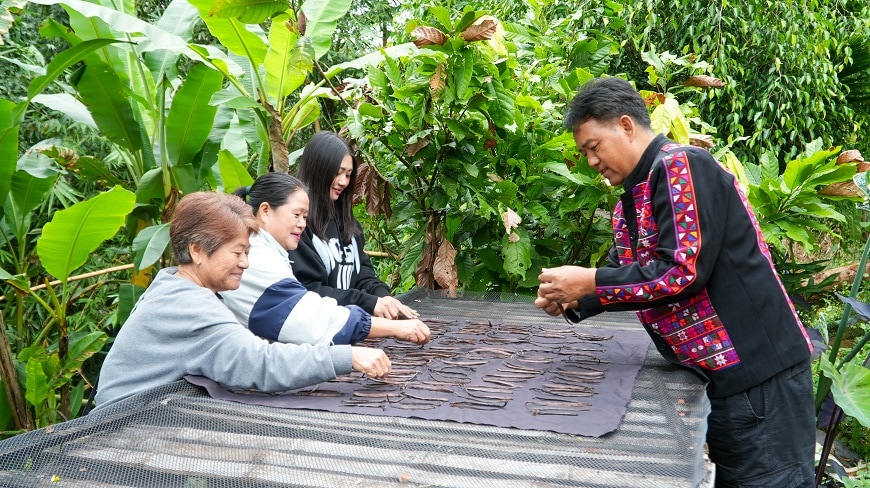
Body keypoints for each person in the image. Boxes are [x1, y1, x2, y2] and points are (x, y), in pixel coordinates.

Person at [536, 77, 815, 487]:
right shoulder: (633, 198)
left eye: (594, 147)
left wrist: (589, 281)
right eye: (584, 154)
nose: (591, 161)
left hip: (758, 378)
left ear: (626, 126)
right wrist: (573, 298)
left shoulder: (681, 165)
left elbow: (682, 272)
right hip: (723, 380)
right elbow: (633, 275)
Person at [93, 191, 391, 411]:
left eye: (247, 252)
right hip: (119, 426)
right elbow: (262, 364)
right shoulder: (189, 306)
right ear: (197, 251)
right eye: (237, 253)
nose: (245, 263)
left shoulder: (172, 282)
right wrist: (346, 357)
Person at [221, 172, 431, 346]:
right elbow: (307, 319)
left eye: (305, 217)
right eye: (296, 215)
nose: (302, 224)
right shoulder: (257, 257)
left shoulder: (271, 251)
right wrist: (391, 327)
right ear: (265, 210)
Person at [289, 130, 418, 320]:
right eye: (338, 173)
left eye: (348, 175)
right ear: (318, 170)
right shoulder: (297, 227)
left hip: (351, 325)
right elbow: (307, 291)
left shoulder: (348, 224)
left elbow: (362, 276)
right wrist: (367, 302)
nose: (343, 182)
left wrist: (384, 297)